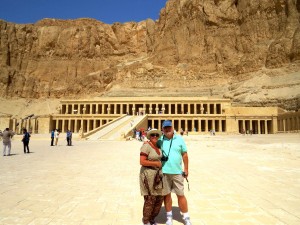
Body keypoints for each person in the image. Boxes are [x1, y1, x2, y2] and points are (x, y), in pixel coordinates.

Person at [160, 120, 192, 225]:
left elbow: (185, 155)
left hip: (177, 172)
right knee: (167, 195)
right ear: (162, 129)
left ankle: (186, 217)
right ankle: (169, 217)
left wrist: (186, 169)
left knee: (180, 195)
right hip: (164, 172)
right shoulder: (160, 140)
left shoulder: (179, 139)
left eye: (169, 127)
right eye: (165, 128)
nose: (168, 129)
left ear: (172, 128)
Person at [139, 128, 169, 225]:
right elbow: (142, 161)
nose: (155, 136)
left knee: (159, 198)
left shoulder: (158, 146)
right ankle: (146, 220)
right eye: (153, 135)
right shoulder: (146, 146)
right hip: (148, 175)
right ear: (149, 136)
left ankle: (152, 218)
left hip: (158, 176)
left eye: (156, 135)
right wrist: (156, 163)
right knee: (150, 198)